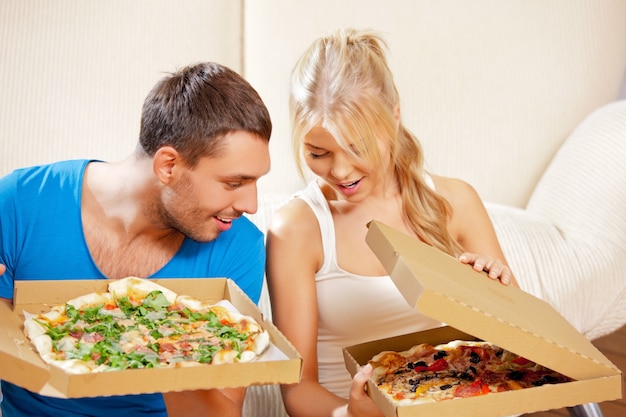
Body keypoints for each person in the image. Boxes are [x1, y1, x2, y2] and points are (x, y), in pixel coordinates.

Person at [265, 28, 519, 417]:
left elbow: (522, 342)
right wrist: (348, 414)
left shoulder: (456, 201)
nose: (340, 170)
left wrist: (495, 291)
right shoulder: (297, 229)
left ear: (394, 117)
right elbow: (299, 393)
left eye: (357, 147)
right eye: (318, 153)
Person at [0, 62, 272, 417]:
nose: (251, 205)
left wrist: (176, 345)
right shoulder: (22, 202)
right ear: (168, 166)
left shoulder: (239, 246)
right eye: (234, 183)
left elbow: (222, 411)